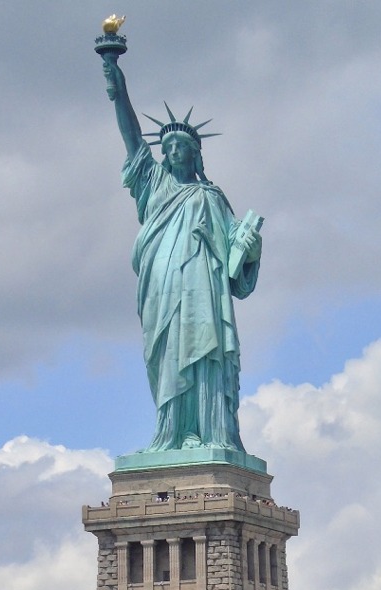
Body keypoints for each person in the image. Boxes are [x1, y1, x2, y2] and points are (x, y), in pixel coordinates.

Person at [100, 55, 262, 453]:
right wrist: (116, 82)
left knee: (205, 350)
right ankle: (172, 432)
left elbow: (236, 260)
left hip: (203, 285)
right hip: (162, 282)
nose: (173, 152)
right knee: (168, 351)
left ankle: (210, 431)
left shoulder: (211, 196)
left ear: (194, 154)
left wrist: (250, 248)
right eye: (168, 147)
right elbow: (132, 136)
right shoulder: (152, 182)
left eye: (181, 147)